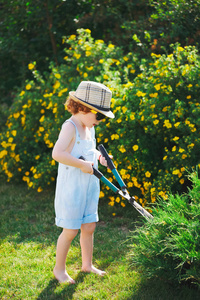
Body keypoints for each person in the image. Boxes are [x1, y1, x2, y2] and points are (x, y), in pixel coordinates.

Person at [52, 81, 115, 284]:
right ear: (82, 108)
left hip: (89, 187)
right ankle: (59, 270)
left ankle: (87, 265)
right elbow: (58, 154)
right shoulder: (70, 127)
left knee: (89, 227)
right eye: (99, 115)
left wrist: (100, 158)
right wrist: (81, 164)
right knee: (70, 230)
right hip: (72, 189)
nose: (100, 120)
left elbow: (90, 150)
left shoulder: (89, 127)